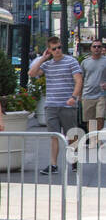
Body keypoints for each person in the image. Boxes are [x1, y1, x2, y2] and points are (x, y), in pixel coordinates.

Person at [29, 37, 83, 174]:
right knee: (54, 135)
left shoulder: (71, 61)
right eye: (54, 48)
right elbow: (32, 73)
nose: (58, 50)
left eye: (59, 47)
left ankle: (74, 161)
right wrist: (42, 58)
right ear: (49, 50)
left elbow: (78, 80)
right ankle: (53, 165)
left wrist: (73, 97)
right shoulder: (47, 65)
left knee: (71, 135)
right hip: (51, 105)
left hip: (67, 105)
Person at [79, 40, 106, 134]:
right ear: (91, 48)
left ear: (102, 48)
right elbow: (80, 79)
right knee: (90, 121)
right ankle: (93, 141)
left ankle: (97, 137)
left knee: (100, 117)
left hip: (101, 95)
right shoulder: (85, 62)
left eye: (99, 46)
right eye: (94, 46)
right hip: (87, 95)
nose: (97, 48)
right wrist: (79, 95)